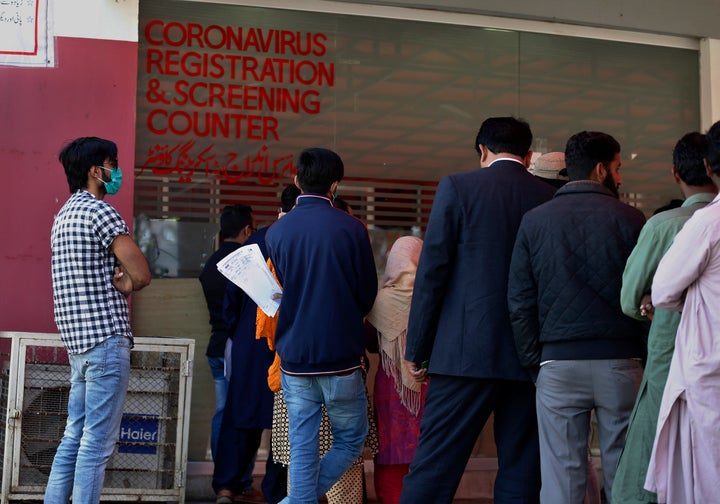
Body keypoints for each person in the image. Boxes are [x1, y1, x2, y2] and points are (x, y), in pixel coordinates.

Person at [399, 117, 555, 504]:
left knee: (435, 466)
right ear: (529, 154)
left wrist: (415, 350)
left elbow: (433, 271)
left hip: (463, 354)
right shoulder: (550, 196)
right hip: (529, 357)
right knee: (522, 468)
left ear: (482, 150)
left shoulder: (458, 186)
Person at [508, 130, 646, 503]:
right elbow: (648, 295)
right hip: (621, 362)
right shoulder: (631, 219)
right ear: (601, 169)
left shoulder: (535, 221)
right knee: (626, 473)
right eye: (617, 169)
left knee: (562, 478)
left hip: (557, 363)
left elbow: (519, 301)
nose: (620, 177)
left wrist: (534, 363)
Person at [265, 148, 378, 504]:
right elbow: (366, 294)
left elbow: (280, 289)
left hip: (295, 357)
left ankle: (297, 500)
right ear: (335, 185)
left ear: (297, 180)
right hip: (341, 355)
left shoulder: (277, 232)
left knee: (302, 446)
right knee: (351, 439)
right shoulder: (352, 229)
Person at [46, 137, 151, 503]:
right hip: (106, 341)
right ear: (96, 170)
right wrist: (126, 281)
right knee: (97, 443)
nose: (116, 170)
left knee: (74, 436)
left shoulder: (64, 216)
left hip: (78, 345)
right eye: (113, 163)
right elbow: (141, 273)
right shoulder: (101, 212)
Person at [613, 132, 717, 504]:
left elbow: (632, 297)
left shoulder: (668, 224)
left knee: (655, 442)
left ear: (676, 173)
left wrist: (647, 306)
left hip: (670, 349)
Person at [644, 120, 720, 503]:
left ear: (708, 167)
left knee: (708, 474)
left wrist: (693, 298)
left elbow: (662, 290)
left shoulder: (707, 223)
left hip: (710, 367)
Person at [212, 223, 278, 504]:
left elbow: (232, 294)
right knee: (285, 421)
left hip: (249, 340)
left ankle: (228, 486)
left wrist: (236, 330)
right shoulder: (304, 236)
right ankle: (277, 491)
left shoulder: (257, 240)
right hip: (286, 342)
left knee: (240, 414)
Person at [366, 236, 427, 504]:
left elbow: (369, 344)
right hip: (425, 385)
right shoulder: (431, 300)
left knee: (390, 448)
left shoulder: (379, 301)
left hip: (390, 387)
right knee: (426, 449)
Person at [199, 204, 255, 462]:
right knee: (243, 413)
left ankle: (219, 473)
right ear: (247, 230)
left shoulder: (211, 264)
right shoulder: (245, 263)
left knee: (222, 411)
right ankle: (235, 476)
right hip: (240, 349)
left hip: (216, 348)